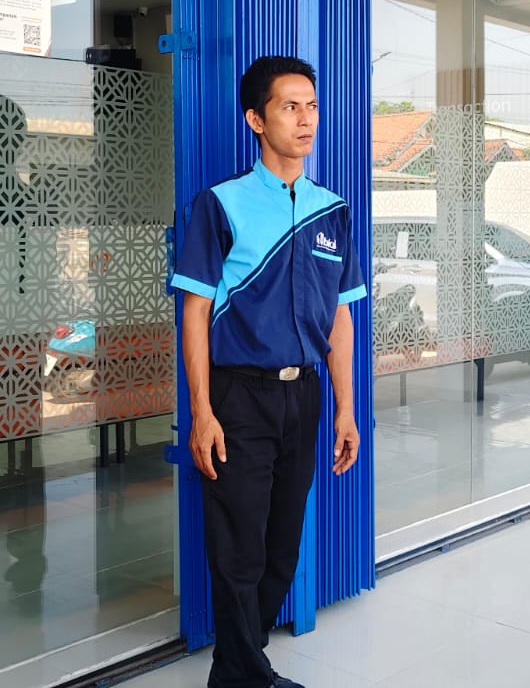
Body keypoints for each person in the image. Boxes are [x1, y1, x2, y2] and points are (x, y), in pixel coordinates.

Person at [170, 55, 367, 688]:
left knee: (282, 548)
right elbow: (195, 313)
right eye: (289, 107)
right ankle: (247, 677)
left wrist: (345, 407)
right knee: (239, 548)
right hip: (238, 398)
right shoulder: (221, 204)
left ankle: (237, 669)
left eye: (312, 106)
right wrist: (202, 412)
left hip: (303, 397)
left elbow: (340, 318)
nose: (306, 119)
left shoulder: (331, 209)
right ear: (256, 119)